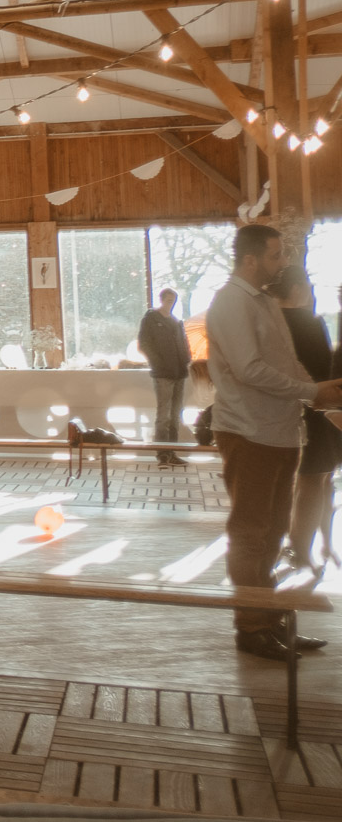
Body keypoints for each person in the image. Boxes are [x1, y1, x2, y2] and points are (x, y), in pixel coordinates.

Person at [205, 224, 342, 662]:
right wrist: (311, 392)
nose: (282, 263)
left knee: (274, 530)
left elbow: (285, 363)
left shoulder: (262, 301)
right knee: (250, 532)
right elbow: (249, 370)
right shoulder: (230, 302)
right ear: (250, 260)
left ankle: (270, 617)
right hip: (249, 431)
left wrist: (322, 393)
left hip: (279, 431)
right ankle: (251, 627)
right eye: (275, 255)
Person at [272, 268, 341, 571]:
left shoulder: (270, 323)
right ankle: (302, 547)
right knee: (316, 481)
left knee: (302, 481)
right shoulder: (311, 324)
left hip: (281, 409)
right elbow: (327, 370)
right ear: (298, 289)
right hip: (316, 408)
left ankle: (313, 544)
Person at [138, 287, 193, 465]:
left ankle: (172, 453)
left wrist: (186, 359)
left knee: (175, 415)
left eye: (173, 300)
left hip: (179, 373)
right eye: (168, 300)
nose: (171, 303)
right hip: (163, 374)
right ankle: (162, 454)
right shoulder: (151, 319)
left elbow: (183, 343)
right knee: (164, 416)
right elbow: (144, 344)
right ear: (161, 300)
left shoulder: (176, 322)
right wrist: (158, 363)